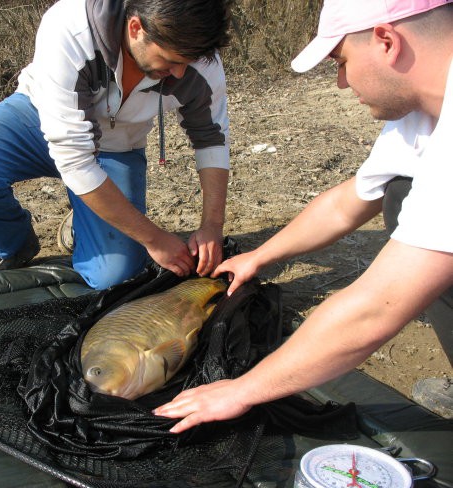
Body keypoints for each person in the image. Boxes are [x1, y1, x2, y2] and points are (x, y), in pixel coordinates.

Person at [154, 0, 453, 429]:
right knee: (399, 194)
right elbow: (349, 201)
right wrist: (259, 257)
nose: (341, 83)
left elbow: (375, 309)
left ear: (387, 41)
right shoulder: (424, 109)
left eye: (342, 62)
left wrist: (242, 390)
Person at [0, 0, 232, 290]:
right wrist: (153, 238)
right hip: (36, 120)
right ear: (136, 27)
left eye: (187, 63)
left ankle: (87, 216)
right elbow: (76, 162)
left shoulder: (199, 61)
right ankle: (12, 245)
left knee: (114, 277)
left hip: (117, 148)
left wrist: (212, 226)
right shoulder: (71, 27)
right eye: (171, 61)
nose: (179, 73)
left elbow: (212, 141)